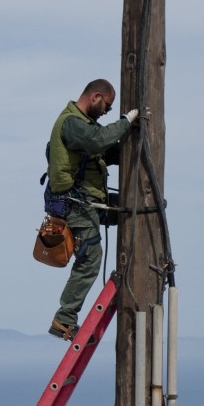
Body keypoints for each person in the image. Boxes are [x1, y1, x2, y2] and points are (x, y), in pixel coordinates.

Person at [45, 79, 139, 341]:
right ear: (96, 96)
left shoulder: (83, 127)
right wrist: (125, 122)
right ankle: (64, 320)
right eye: (107, 106)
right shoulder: (73, 124)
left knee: (132, 214)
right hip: (75, 204)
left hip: (86, 202)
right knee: (90, 258)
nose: (107, 111)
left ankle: (65, 317)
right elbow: (98, 142)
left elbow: (104, 150)